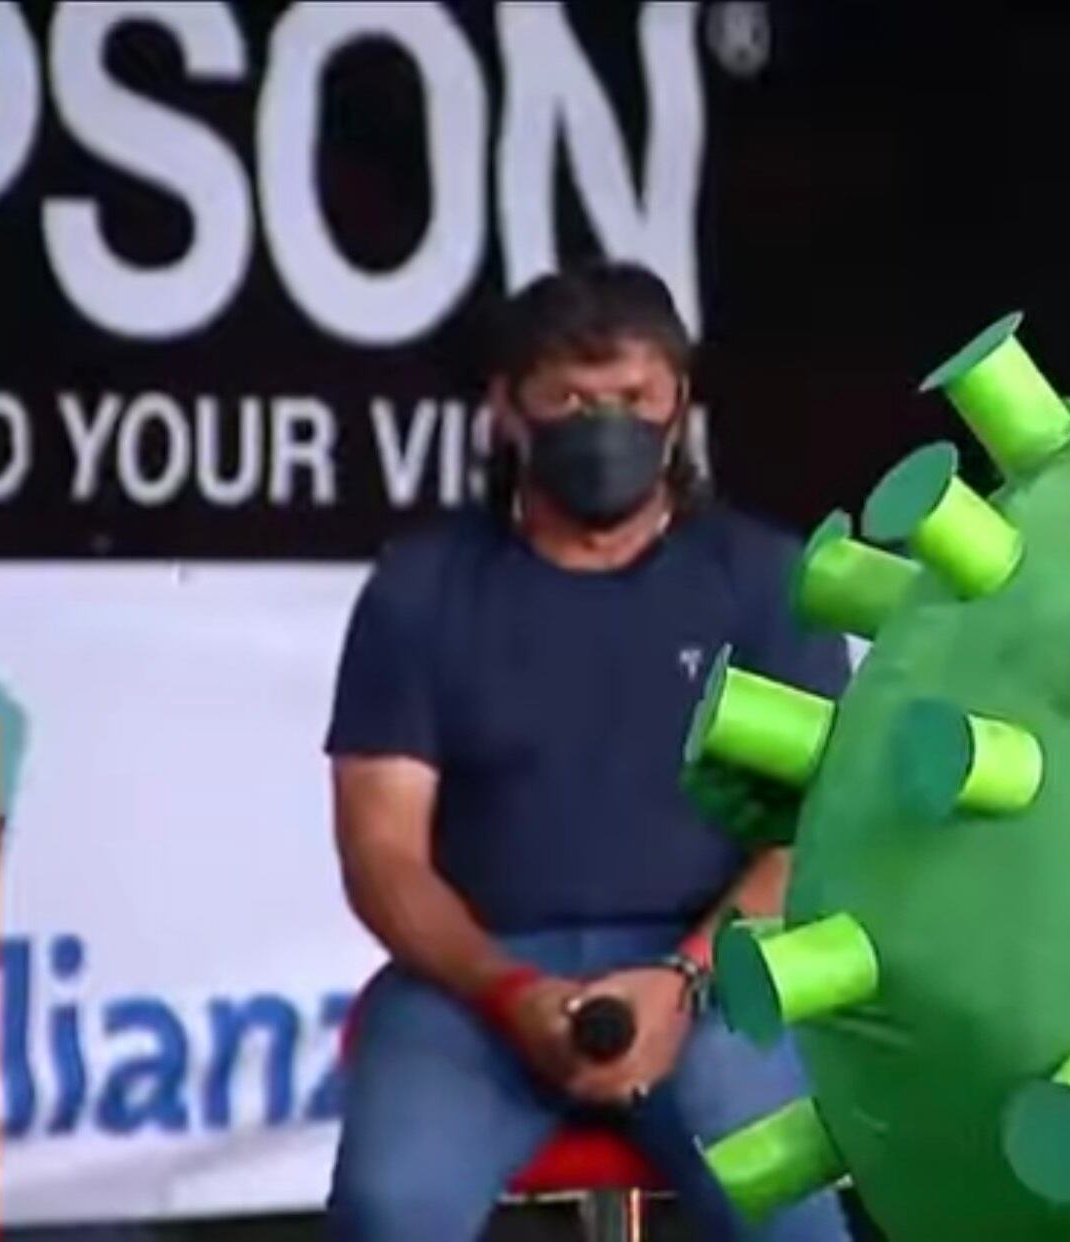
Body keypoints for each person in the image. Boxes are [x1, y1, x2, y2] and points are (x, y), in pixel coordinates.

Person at [321, 257, 855, 1242]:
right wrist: (510, 994)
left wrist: (683, 978)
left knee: (786, 1214)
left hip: (715, 968)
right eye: (569, 398)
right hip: (477, 980)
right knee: (390, 1209)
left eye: (633, 398)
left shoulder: (763, 584)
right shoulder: (423, 589)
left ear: (677, 405)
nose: (604, 423)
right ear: (506, 409)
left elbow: (808, 839)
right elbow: (381, 851)